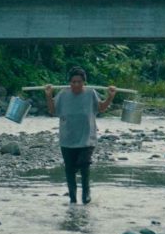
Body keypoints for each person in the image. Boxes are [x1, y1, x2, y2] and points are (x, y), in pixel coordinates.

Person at [45, 67, 116, 204]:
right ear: (69, 82)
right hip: (67, 139)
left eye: (79, 82)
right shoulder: (63, 94)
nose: (76, 85)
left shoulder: (91, 93)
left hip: (86, 138)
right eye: (73, 82)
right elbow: (52, 110)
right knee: (69, 170)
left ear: (84, 82)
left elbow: (101, 108)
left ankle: (86, 194)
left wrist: (110, 97)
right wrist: (48, 95)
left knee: (84, 164)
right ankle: (72, 198)